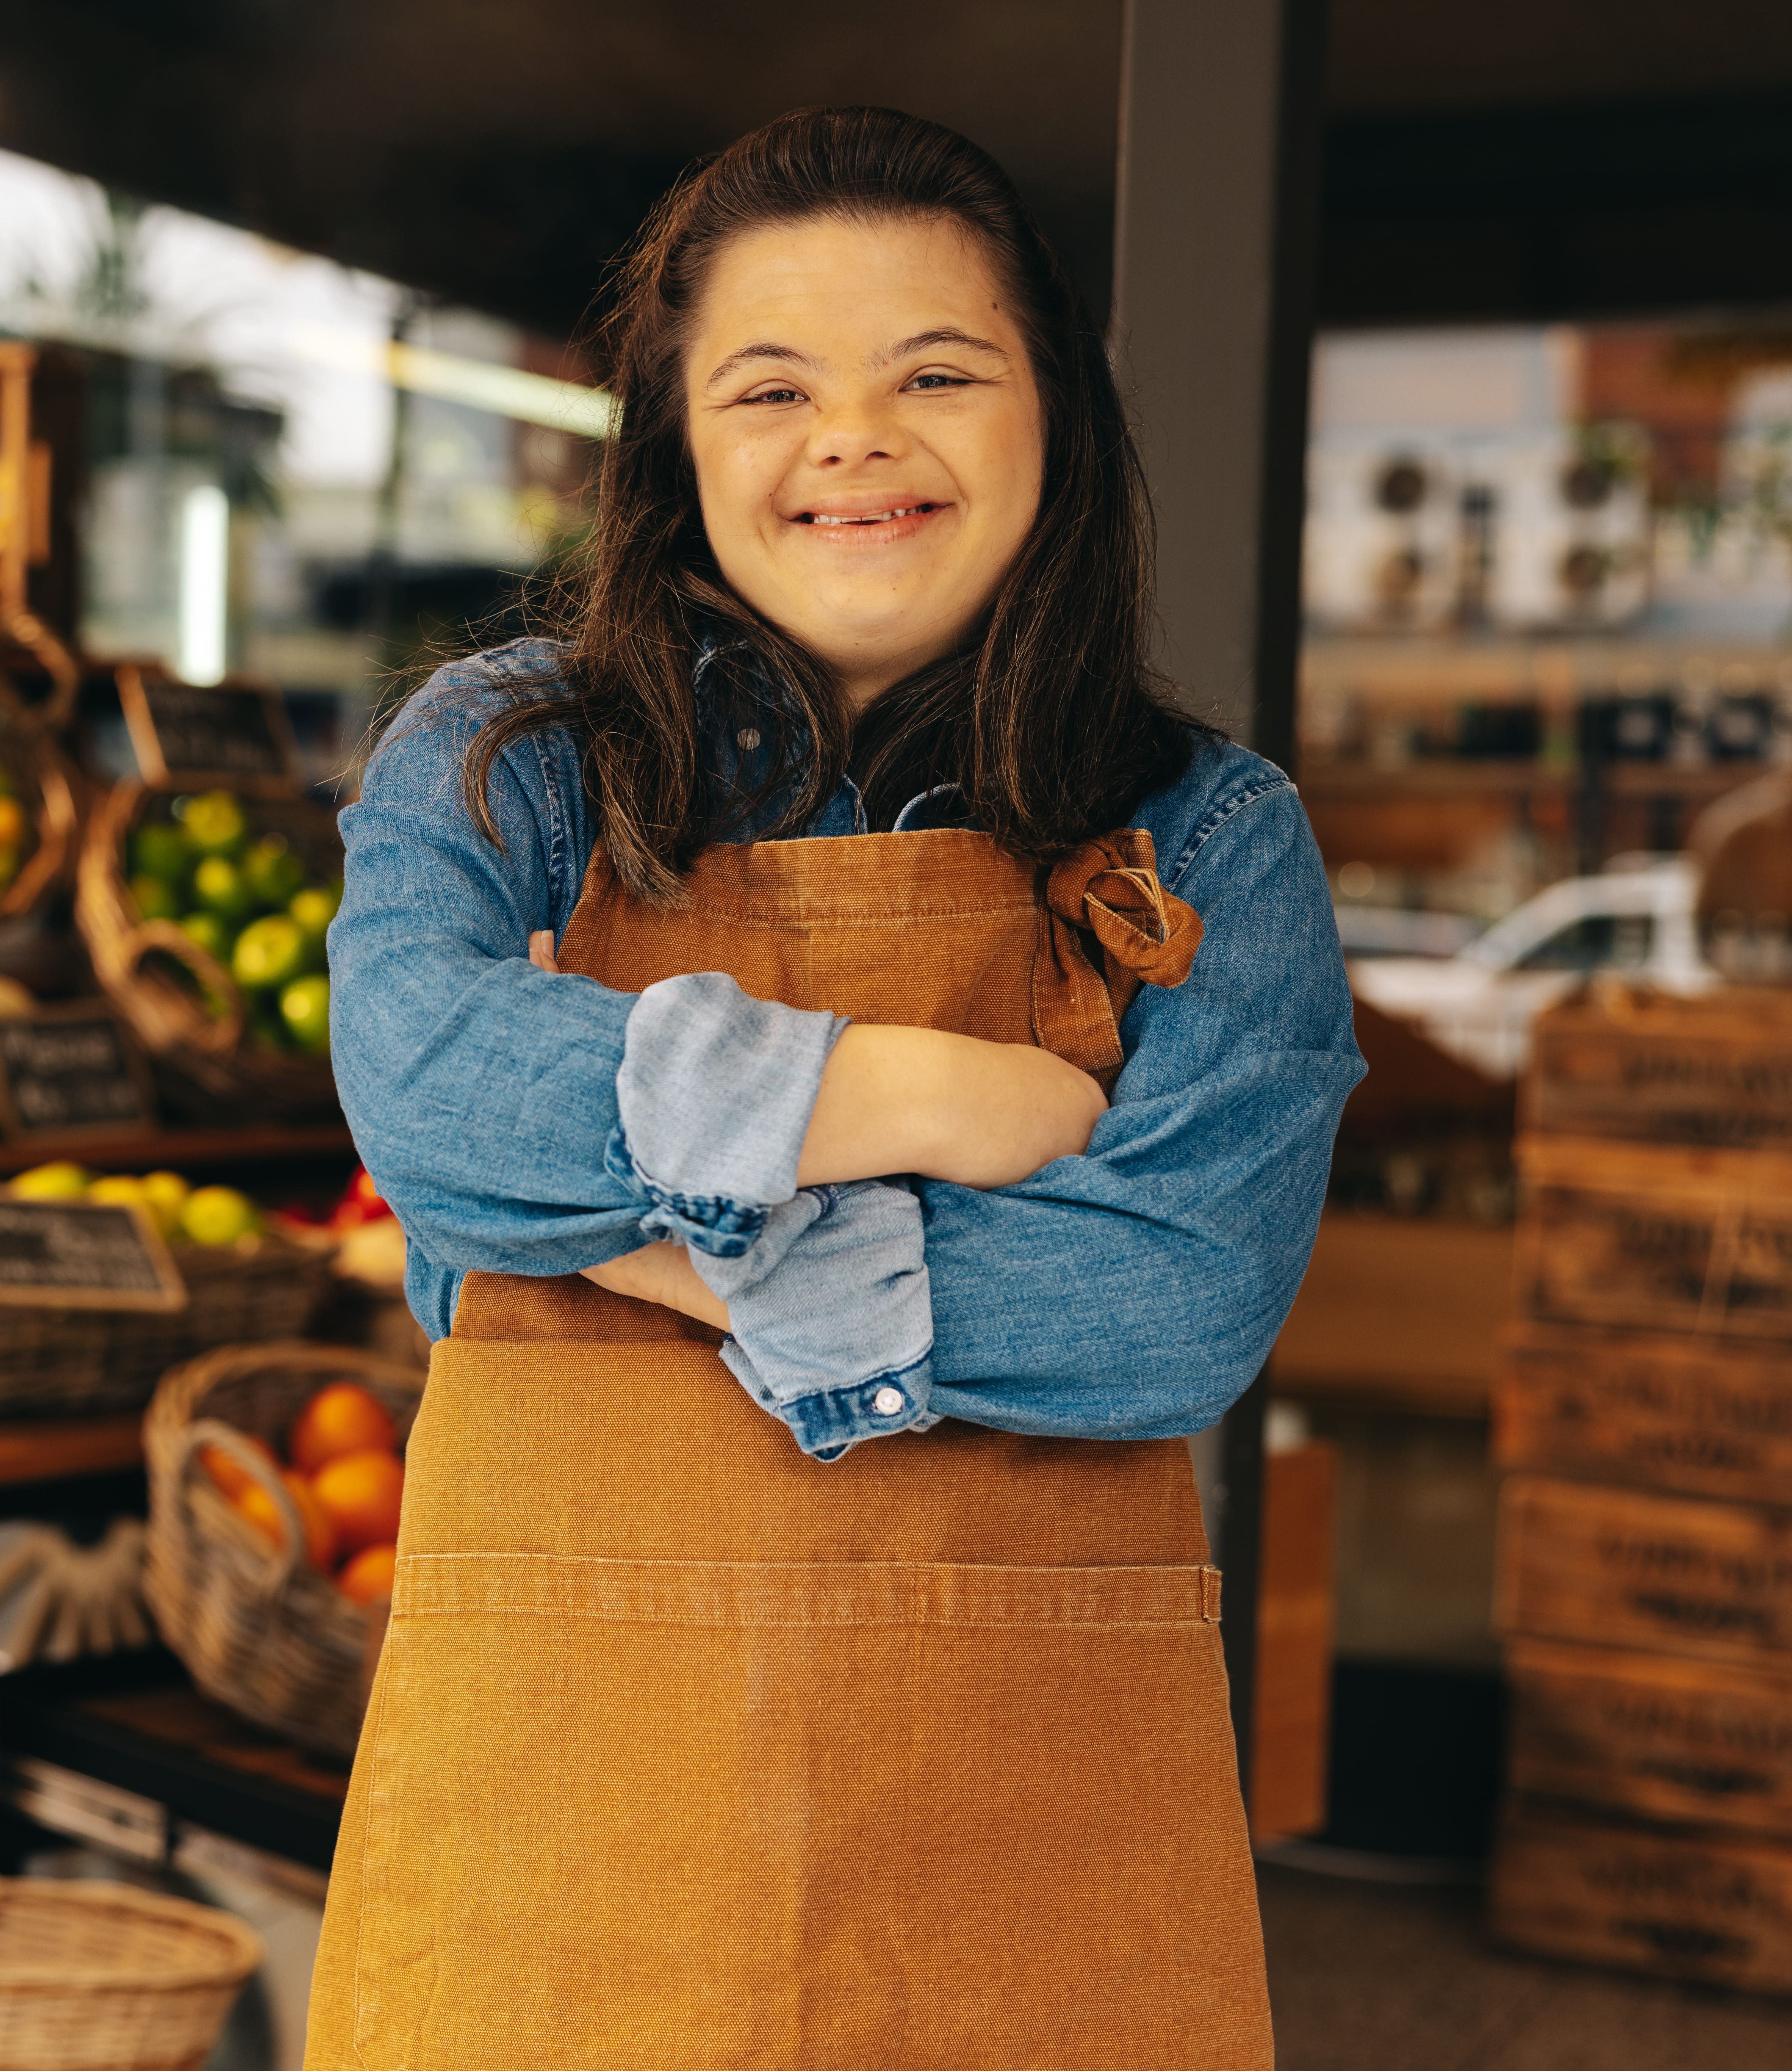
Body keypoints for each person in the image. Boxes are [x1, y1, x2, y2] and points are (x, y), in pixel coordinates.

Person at [311, 105, 1360, 2069]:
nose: (855, 437)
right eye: (771, 386)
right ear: (678, 448)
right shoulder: (514, 758)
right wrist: (925, 1100)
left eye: (934, 374)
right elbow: (426, 1088)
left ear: (1052, 411)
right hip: (561, 1830)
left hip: (1023, 1843)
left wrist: (634, 1247)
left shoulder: (1210, 840)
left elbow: (1169, 1305)